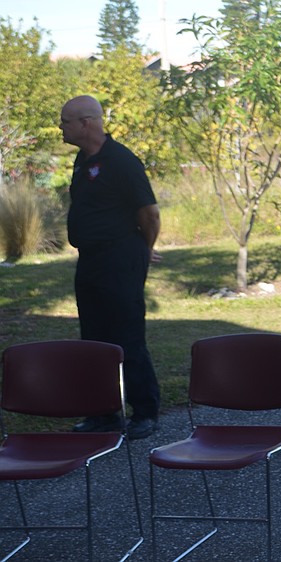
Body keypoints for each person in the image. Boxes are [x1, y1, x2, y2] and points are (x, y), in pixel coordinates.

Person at [61, 95, 161, 440]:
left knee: (126, 335)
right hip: (90, 259)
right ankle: (103, 413)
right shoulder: (82, 160)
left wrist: (143, 249)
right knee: (93, 337)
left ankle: (144, 412)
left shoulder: (122, 161)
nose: (61, 128)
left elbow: (149, 213)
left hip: (121, 257)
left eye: (66, 122)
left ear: (86, 123)